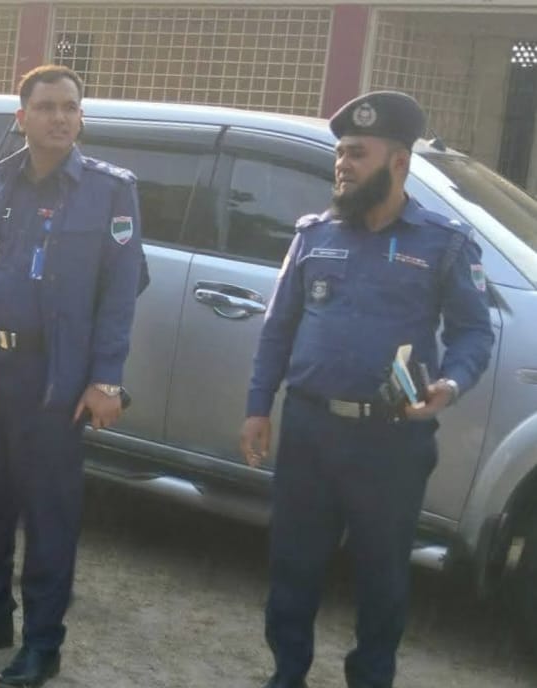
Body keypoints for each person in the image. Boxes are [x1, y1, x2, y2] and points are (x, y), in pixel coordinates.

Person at [240, 91, 494, 688]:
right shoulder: (314, 234)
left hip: (392, 440)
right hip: (311, 430)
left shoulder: (444, 243)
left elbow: (473, 331)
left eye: (357, 153)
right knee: (293, 566)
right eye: (340, 154)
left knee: (382, 576)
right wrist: (258, 407)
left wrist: (451, 383)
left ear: (398, 161)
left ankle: (371, 678)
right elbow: (278, 329)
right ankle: (287, 672)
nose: (343, 165)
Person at [0, 64, 147, 688]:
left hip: (52, 377)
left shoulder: (110, 190)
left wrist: (106, 378)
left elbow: (121, 292)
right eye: (47, 107)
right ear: (21, 117)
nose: (60, 117)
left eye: (70, 107)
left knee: (49, 512)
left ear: (81, 117)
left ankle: (42, 643)